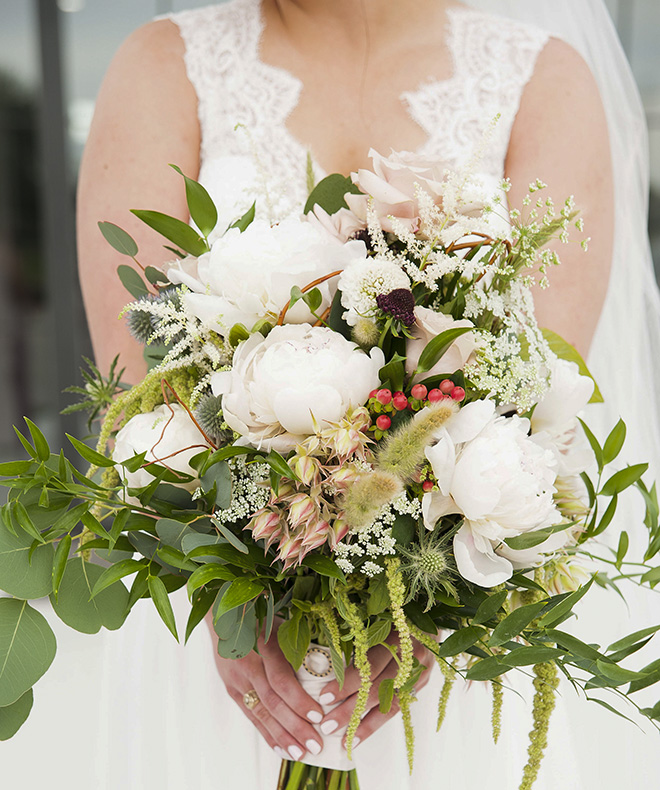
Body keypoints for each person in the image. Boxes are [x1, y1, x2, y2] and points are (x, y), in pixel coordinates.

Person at [3, 1, 659, 788]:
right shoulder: (163, 63)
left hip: (443, 642)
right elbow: (143, 383)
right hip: (220, 626)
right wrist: (228, 600)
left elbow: (535, 388)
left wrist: (420, 613)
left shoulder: (542, 77)